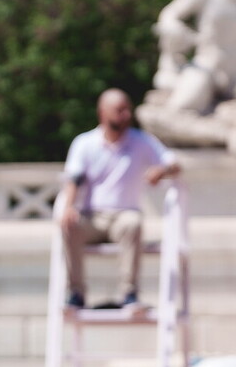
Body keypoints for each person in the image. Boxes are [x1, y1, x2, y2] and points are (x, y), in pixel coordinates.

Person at [59, 89, 181, 310]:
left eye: (127, 110)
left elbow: (174, 163)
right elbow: (74, 178)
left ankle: (129, 294)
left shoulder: (141, 140)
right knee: (67, 224)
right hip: (92, 217)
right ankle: (75, 293)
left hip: (124, 216)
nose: (125, 115)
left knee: (133, 223)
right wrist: (68, 208)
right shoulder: (84, 143)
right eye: (119, 110)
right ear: (102, 112)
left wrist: (161, 171)